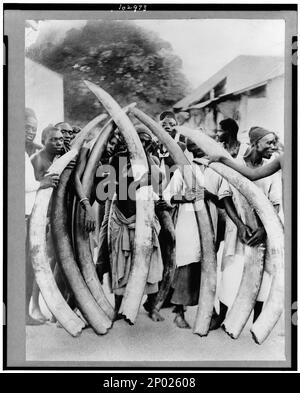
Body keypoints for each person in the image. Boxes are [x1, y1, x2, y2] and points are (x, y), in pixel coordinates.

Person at [160, 139, 248, 329]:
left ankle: (209, 310)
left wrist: (209, 195)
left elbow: (224, 198)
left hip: (211, 223)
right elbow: (167, 196)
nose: (198, 148)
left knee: (207, 265)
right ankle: (179, 313)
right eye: (194, 145)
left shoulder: (217, 170)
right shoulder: (184, 169)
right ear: (191, 149)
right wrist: (186, 197)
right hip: (188, 223)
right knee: (187, 264)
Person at [210, 126, 282, 329]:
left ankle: (257, 320)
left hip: (263, 230)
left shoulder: (272, 167)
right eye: (269, 142)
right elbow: (225, 197)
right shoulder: (237, 165)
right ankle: (222, 316)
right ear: (254, 143)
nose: (273, 147)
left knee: (264, 276)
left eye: (275, 142)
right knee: (231, 273)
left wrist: (264, 230)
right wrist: (240, 225)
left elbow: (275, 203)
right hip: (238, 231)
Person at [107, 129, 164, 322]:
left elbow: (157, 190)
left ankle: (152, 306)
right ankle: (117, 307)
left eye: (145, 142)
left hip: (145, 219)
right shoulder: (118, 159)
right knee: (120, 262)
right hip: (122, 216)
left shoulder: (153, 162)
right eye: (137, 141)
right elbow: (111, 189)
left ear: (149, 144)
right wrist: (137, 183)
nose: (141, 145)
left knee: (152, 262)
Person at [30, 125, 64, 321]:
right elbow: (31, 189)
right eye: (53, 139)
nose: (59, 142)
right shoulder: (37, 160)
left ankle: (55, 308)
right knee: (42, 263)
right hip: (42, 219)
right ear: (44, 141)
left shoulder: (60, 158)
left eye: (60, 139)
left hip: (57, 216)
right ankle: (35, 306)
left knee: (57, 262)